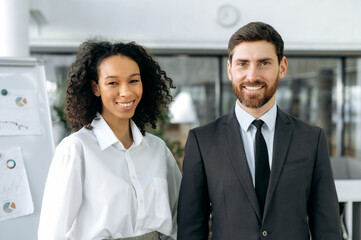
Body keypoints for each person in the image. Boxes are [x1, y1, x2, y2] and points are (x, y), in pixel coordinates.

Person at [177, 22, 341, 240]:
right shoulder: (202, 141)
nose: (252, 75)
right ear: (229, 70)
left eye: (264, 63)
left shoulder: (312, 139)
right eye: (243, 64)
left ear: (282, 67)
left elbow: (327, 227)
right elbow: (190, 229)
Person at [38, 40, 181, 240]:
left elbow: (177, 220)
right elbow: (52, 233)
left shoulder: (157, 150)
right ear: (96, 88)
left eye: (133, 81)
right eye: (113, 82)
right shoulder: (76, 149)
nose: (126, 92)